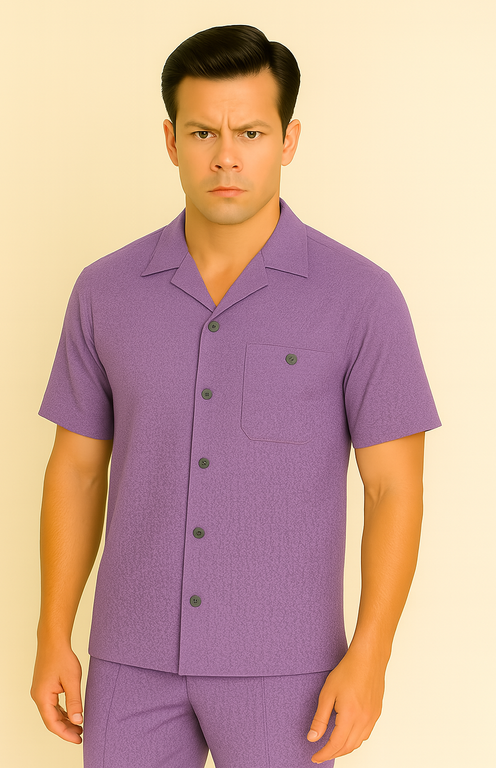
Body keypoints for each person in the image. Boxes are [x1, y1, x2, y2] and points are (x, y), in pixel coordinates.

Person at [30, 23, 441, 768]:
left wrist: (371, 654)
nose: (226, 156)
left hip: (290, 671)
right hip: (130, 661)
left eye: (250, 132)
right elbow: (77, 471)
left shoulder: (361, 297)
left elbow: (393, 489)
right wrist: (52, 631)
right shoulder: (104, 291)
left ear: (288, 140)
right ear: (170, 140)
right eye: (202, 133)